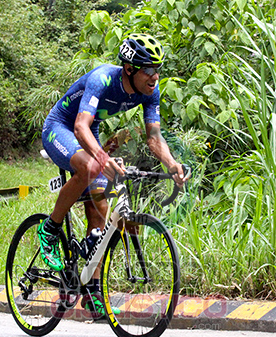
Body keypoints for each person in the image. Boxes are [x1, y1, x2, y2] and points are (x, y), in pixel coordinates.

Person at [38, 33, 187, 316]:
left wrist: (172, 165)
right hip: (61, 127)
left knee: (100, 213)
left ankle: (92, 293)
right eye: (149, 70)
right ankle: (50, 228)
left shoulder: (150, 92)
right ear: (130, 69)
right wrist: (102, 158)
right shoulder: (103, 79)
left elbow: (154, 137)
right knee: (93, 167)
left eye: (158, 70)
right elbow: (80, 127)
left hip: (87, 130)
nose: (155, 77)